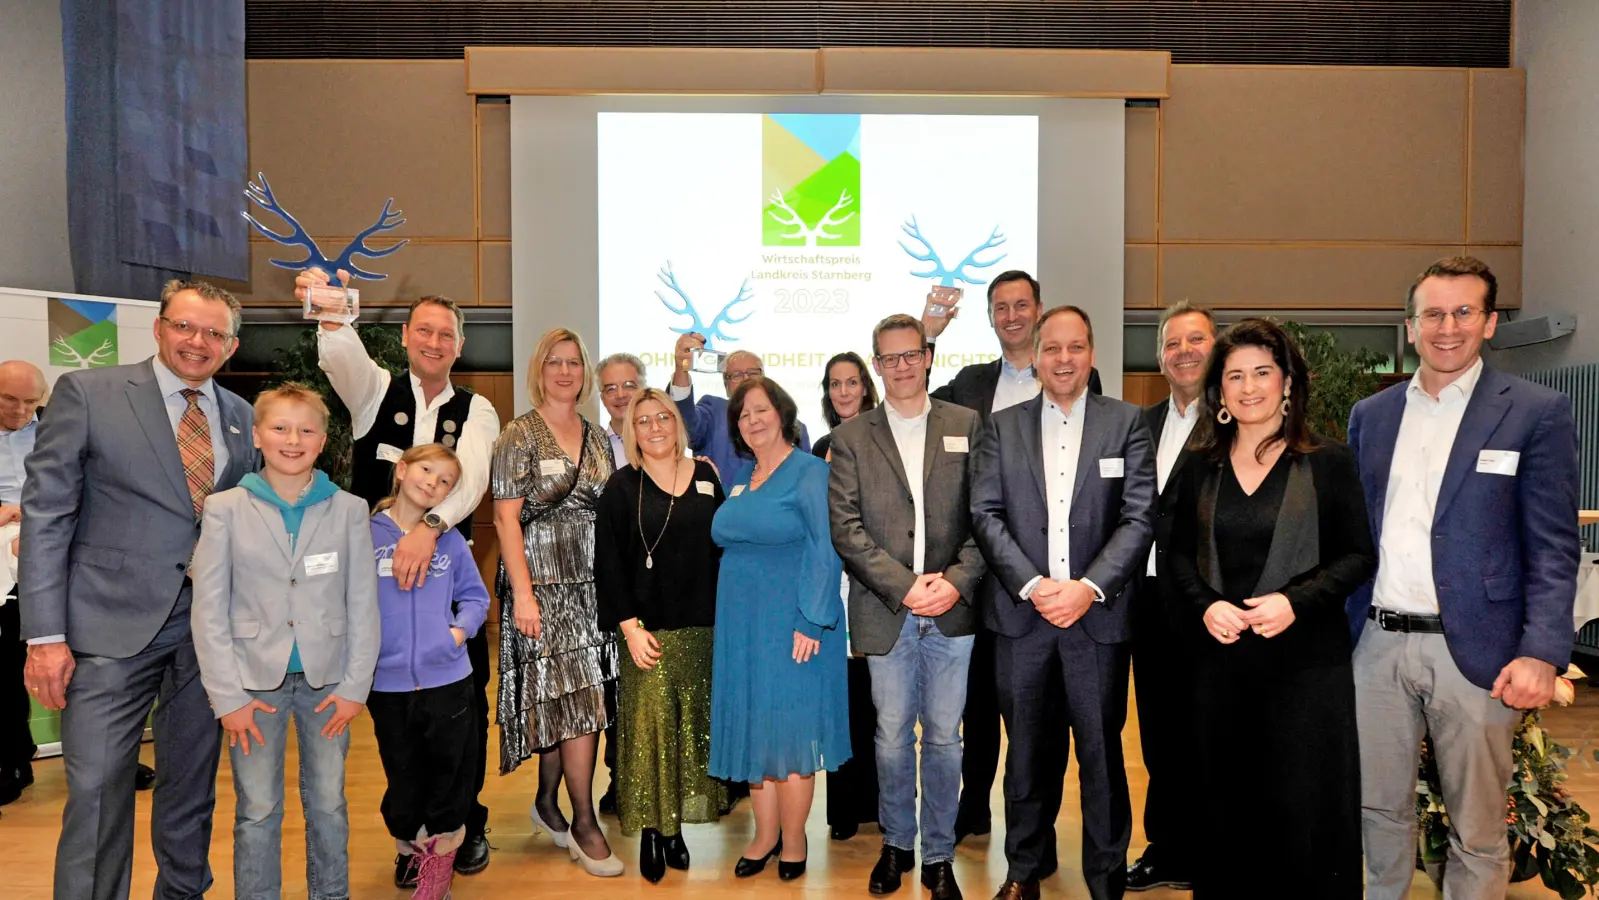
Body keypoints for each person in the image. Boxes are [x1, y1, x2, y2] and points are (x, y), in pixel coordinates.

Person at [1347, 256, 1581, 899]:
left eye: (1462, 312)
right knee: (1376, 816)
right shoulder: (1372, 416)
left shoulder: (1536, 411)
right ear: (1410, 325)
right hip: (1376, 647)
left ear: (1489, 322)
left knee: (1477, 830)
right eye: (1432, 314)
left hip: (1479, 651)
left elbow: (1555, 544)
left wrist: (1541, 650)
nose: (1446, 327)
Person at [21, 280, 256, 900]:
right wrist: (45, 636)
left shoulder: (240, 416)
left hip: (204, 635)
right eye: (185, 326)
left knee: (190, 790)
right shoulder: (89, 393)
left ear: (230, 347)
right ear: (158, 328)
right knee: (98, 792)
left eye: (213, 333)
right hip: (106, 630)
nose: (196, 342)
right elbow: (47, 515)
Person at [296, 265, 502, 879]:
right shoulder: (373, 391)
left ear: (460, 346)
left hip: (447, 592)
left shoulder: (478, 408)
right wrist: (329, 305)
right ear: (407, 336)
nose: (435, 343)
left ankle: (463, 826)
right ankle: (411, 839)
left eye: (447, 335)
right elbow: (338, 352)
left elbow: (470, 478)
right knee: (397, 731)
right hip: (378, 601)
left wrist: (428, 529)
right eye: (425, 331)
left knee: (464, 725)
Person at [1166, 319, 1376, 899]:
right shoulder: (1199, 464)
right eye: (1235, 375)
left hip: (1307, 672)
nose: (1249, 386)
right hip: (1221, 670)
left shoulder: (1328, 461)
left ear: (1287, 381)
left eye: (1262, 372)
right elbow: (1177, 556)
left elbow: (1359, 555)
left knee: (1303, 815)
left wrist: (1295, 602)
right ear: (1219, 390)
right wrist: (1206, 606)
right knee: (1225, 810)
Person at [970, 305, 1155, 900]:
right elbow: (986, 514)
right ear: (1037, 357)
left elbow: (1138, 517)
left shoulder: (1126, 424)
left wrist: (1087, 587)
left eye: (1076, 348)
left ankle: (1105, 880)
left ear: (1092, 353)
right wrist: (1033, 585)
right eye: (1053, 349)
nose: (1064, 359)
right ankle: (1023, 872)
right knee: (1023, 757)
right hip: (1023, 619)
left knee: (1101, 758)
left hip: (1095, 618)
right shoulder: (1001, 426)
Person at [189, 383, 381, 900]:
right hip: (251, 686)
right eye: (280, 428)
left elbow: (363, 604)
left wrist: (355, 687)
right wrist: (227, 697)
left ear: (322, 441)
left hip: (329, 686)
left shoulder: (348, 509)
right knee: (256, 808)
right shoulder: (225, 508)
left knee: (328, 804)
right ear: (257, 435)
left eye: (306, 430)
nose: (292, 439)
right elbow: (208, 609)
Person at [922, 270, 1088, 850]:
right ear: (990, 318)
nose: (1012, 316)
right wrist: (929, 335)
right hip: (979, 570)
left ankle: (1034, 827)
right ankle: (975, 807)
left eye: (1022, 306)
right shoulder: (970, 384)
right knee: (978, 699)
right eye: (1000, 308)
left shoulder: (1067, 387)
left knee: (1035, 713)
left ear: (1038, 311)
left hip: (1048, 579)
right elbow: (916, 406)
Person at [828, 315, 986, 900]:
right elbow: (846, 528)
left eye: (910, 355)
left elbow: (985, 515)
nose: (900, 366)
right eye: (888, 357)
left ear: (927, 357)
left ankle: (939, 855)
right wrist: (905, 585)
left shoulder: (967, 425)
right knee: (892, 736)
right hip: (885, 608)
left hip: (953, 607)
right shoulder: (850, 438)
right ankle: (897, 844)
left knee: (945, 738)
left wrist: (957, 579)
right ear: (877, 366)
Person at [492, 327, 622, 877]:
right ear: (539, 370)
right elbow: (504, 517)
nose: (565, 372)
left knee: (567, 699)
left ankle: (547, 802)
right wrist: (523, 594)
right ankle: (583, 821)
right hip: (541, 588)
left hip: (593, 588)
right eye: (555, 363)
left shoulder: (597, 436)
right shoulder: (518, 435)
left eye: (574, 363)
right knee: (579, 705)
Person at [709, 376, 849, 881]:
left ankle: (793, 840)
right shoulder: (744, 477)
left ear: (782, 413)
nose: (752, 420)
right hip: (742, 625)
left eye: (761, 410)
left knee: (790, 731)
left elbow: (825, 547)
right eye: (743, 415)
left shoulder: (810, 471)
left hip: (796, 621)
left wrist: (811, 618)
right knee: (755, 727)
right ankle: (763, 835)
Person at [595, 388, 728, 883]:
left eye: (663, 417)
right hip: (647, 633)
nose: (654, 427)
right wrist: (628, 628)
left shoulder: (708, 475)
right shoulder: (621, 486)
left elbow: (724, 547)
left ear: (678, 424)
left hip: (704, 629)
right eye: (643, 420)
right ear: (631, 431)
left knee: (689, 734)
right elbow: (606, 562)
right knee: (650, 734)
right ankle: (653, 829)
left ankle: (676, 831)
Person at [367, 443, 492, 900]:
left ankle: (438, 866)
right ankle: (410, 846)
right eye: (426, 471)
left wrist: (454, 636)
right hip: (387, 685)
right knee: (403, 779)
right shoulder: (365, 535)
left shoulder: (451, 540)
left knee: (449, 777)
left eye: (445, 483)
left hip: (448, 682)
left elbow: (476, 599)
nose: (433, 484)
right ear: (401, 470)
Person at [1125, 301, 1215, 892]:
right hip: (1147, 602)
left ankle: (1213, 852)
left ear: (1216, 347)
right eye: (1173, 343)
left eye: (1196, 340)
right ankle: (1167, 847)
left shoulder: (1240, 419)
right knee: (1159, 734)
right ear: (1160, 356)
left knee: (1210, 731)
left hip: (1211, 605)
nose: (1183, 352)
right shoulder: (1142, 423)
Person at [813, 350, 883, 843]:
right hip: (833, 589)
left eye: (851, 383)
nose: (843, 391)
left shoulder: (883, 436)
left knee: (880, 706)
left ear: (865, 387)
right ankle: (842, 808)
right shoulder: (819, 446)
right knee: (840, 704)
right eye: (835, 384)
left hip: (876, 586)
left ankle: (882, 805)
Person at [593, 351, 647, 815]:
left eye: (628, 384)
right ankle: (617, 780)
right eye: (610, 388)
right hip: (605, 580)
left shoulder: (665, 438)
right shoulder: (590, 443)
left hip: (653, 585)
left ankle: (648, 778)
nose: (620, 395)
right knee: (612, 687)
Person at [668, 334, 810, 482]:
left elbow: (806, 480)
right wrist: (681, 369)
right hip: (724, 502)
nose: (746, 379)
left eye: (753, 373)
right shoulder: (714, 411)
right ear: (726, 386)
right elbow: (686, 425)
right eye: (736, 375)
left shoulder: (793, 425)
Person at [0, 360, 44, 808]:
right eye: (9, 399)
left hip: (52, 547)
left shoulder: (57, 430)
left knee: (90, 660)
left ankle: (113, 763)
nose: (20, 410)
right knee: (6, 661)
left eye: (30, 401)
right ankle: (13, 757)